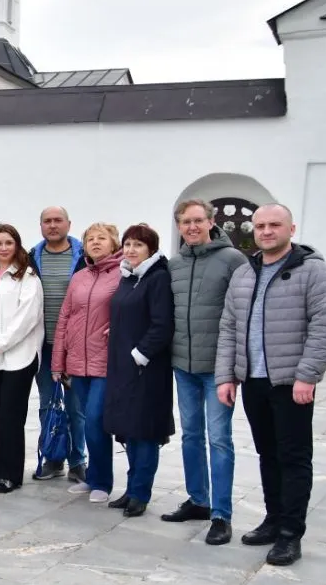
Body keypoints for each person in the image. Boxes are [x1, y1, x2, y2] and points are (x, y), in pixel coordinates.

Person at [217, 204, 326, 567]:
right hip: (254, 381)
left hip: (291, 382)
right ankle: (272, 520)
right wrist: (226, 376)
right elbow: (229, 327)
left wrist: (308, 374)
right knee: (267, 454)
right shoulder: (244, 273)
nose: (267, 231)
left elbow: (325, 324)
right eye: (260, 226)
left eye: (275, 225)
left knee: (294, 457)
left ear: (291, 228)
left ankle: (290, 534)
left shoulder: (312, 271)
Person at [166, 199, 248, 545]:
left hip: (218, 368)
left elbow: (242, 315)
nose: (192, 227)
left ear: (212, 222)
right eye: (186, 222)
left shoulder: (233, 261)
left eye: (198, 220)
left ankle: (221, 514)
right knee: (190, 436)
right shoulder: (175, 264)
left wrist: (233, 368)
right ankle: (198, 499)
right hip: (183, 365)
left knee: (219, 439)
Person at [103, 224, 175, 518]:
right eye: (128, 244)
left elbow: (162, 324)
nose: (131, 250)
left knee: (144, 432)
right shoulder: (128, 277)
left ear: (151, 249)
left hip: (145, 369)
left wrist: (139, 354)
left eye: (138, 245)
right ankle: (132, 489)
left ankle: (141, 493)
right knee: (128, 430)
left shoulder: (156, 278)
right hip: (124, 366)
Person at [52, 223, 124, 504]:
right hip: (77, 363)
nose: (95, 243)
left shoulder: (123, 273)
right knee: (83, 420)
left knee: (95, 421)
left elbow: (130, 309)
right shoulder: (79, 277)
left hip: (105, 362)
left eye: (101, 238)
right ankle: (93, 476)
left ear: (114, 242)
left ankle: (102, 482)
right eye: (90, 239)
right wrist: (58, 362)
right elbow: (64, 319)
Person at [0, 224, 43, 493]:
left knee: (12, 412)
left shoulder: (28, 277)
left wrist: (1, 343)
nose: (3, 248)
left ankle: (11, 474)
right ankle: (0, 464)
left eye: (8, 243)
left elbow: (28, 317)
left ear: (17, 246)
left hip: (17, 348)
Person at [30, 206, 87, 483]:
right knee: (48, 404)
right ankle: (53, 457)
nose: (53, 225)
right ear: (41, 225)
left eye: (58, 220)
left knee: (76, 406)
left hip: (75, 345)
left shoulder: (83, 257)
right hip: (44, 344)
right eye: (47, 221)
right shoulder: (31, 257)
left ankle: (78, 460)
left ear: (68, 223)